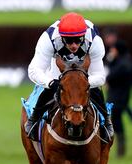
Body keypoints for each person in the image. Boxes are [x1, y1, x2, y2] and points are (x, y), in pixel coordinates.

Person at [23, 12, 110, 141]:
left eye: (78, 40)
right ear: (61, 37)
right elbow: (34, 70)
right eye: (69, 41)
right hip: (58, 65)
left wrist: (82, 84)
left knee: (95, 89)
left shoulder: (94, 40)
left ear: (83, 36)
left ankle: (106, 123)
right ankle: (34, 120)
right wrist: (51, 83)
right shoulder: (49, 39)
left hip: (84, 69)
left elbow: (100, 76)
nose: (74, 45)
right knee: (51, 88)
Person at [106, 39, 132, 157]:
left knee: (116, 122)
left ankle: (120, 150)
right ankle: (120, 149)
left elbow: (110, 76)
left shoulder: (123, 64)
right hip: (119, 97)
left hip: (118, 98)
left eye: (114, 49)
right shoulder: (124, 61)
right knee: (116, 122)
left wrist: (110, 60)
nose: (112, 51)